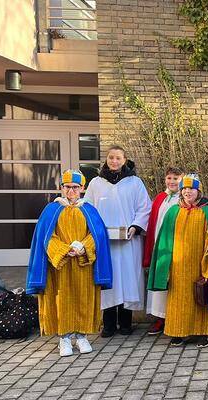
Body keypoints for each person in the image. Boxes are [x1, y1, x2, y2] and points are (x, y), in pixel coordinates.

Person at [26, 170, 112, 356]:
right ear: (61, 188)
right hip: (60, 266)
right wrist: (65, 250)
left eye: (75, 187)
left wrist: (83, 247)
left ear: (82, 188)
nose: (71, 191)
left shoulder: (89, 210)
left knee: (83, 298)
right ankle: (64, 339)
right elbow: (46, 237)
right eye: (67, 187)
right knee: (62, 299)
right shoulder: (51, 210)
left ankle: (82, 336)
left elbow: (97, 235)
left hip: (83, 264)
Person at [84, 145, 151, 337]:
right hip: (104, 243)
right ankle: (109, 324)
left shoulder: (134, 182)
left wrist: (136, 226)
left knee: (127, 279)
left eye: (118, 158)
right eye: (111, 157)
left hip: (129, 241)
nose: (114, 161)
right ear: (106, 160)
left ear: (125, 160)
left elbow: (144, 208)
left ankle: (126, 322)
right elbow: (88, 208)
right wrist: (95, 231)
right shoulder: (96, 183)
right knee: (108, 278)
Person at [147, 174, 208, 347]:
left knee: (200, 297)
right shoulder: (173, 212)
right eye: (185, 189)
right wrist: (165, 266)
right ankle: (177, 331)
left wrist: (207, 269)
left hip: (199, 263)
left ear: (199, 191)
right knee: (177, 298)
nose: (188, 192)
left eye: (192, 189)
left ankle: (202, 332)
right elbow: (165, 240)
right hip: (177, 265)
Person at [142, 166, 184, 335]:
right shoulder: (160, 198)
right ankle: (160, 317)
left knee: (174, 283)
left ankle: (174, 316)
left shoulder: (184, 199)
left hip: (175, 246)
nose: (172, 182)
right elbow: (153, 223)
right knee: (160, 281)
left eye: (176, 178)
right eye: (169, 178)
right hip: (159, 246)